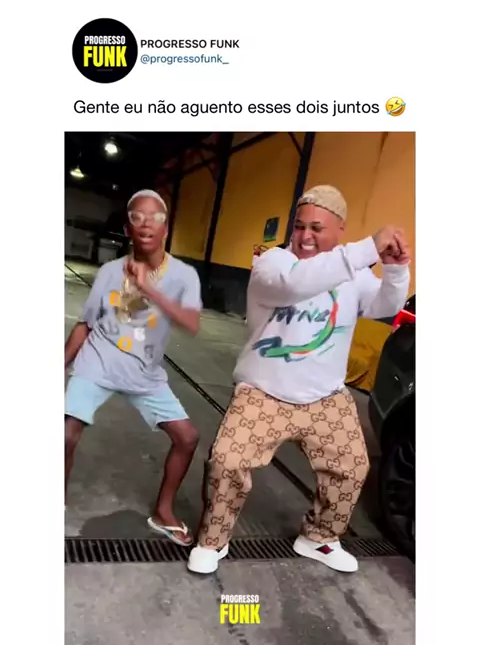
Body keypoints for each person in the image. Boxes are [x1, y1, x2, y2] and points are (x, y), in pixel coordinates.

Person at [188, 184, 411, 574]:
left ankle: (319, 538)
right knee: (227, 461)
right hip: (264, 391)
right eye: (300, 226)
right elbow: (296, 284)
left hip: (325, 396)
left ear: (339, 230)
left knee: (352, 467)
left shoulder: (352, 275)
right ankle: (213, 540)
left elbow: (385, 306)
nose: (305, 236)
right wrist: (366, 248)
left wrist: (395, 270)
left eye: (317, 228)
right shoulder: (273, 263)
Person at [65, 189, 202, 546]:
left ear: (166, 228)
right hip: (99, 360)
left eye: (155, 218)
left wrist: (149, 288)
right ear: (128, 229)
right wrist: (61, 363)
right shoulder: (109, 271)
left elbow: (191, 323)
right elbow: (86, 323)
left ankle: (164, 512)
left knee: (187, 438)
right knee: (65, 433)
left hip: (145, 373)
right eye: (137, 217)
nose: (145, 224)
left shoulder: (184, 276)